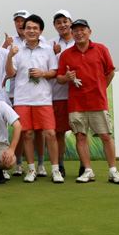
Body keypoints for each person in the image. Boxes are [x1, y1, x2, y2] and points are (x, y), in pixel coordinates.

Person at [57, 19, 119, 184]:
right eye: (75, 30)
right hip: (76, 103)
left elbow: (110, 72)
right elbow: (59, 78)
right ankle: (88, 171)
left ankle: (113, 171)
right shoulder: (66, 54)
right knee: (80, 136)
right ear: (72, 33)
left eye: (82, 29)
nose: (79, 33)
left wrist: (100, 88)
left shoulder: (101, 49)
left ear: (89, 32)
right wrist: (67, 77)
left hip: (98, 102)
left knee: (105, 135)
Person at [5, 14, 63, 183]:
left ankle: (55, 170)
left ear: (41, 31)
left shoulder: (48, 49)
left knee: (50, 133)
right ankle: (31, 169)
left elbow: (54, 72)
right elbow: (10, 73)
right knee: (27, 134)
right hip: (22, 99)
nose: (31, 31)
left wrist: (43, 73)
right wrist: (9, 56)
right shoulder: (17, 49)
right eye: (28, 28)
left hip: (43, 99)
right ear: (23, 30)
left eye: (35, 28)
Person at [48, 10, 75, 177]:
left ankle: (85, 167)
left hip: (77, 95)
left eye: (65, 21)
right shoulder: (50, 44)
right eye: (58, 22)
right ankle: (60, 165)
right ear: (54, 25)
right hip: (58, 94)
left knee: (81, 133)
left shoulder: (80, 40)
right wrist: (52, 53)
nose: (62, 25)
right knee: (59, 132)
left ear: (71, 22)